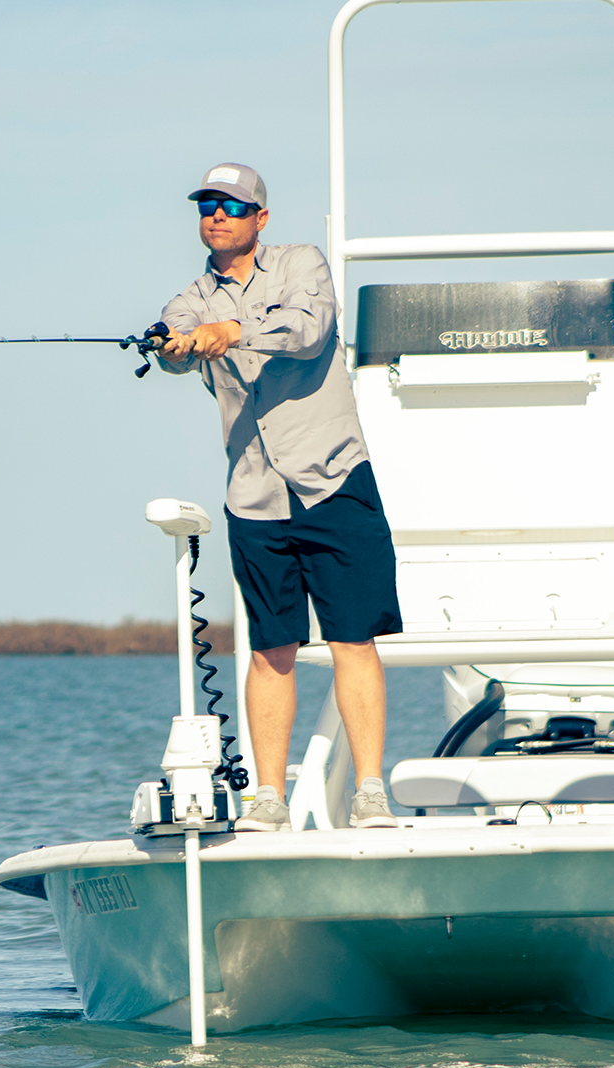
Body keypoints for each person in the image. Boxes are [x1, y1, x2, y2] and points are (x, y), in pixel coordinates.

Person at [156, 162, 403, 831]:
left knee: (355, 638)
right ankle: (269, 799)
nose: (217, 215)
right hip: (255, 495)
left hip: (333, 478)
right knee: (270, 648)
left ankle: (371, 791)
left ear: (260, 218)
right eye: (207, 204)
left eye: (232, 206)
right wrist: (178, 346)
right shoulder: (189, 299)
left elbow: (309, 330)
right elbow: (176, 346)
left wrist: (231, 332)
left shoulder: (302, 265)